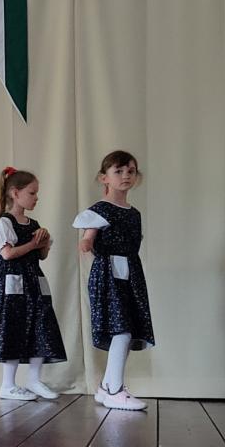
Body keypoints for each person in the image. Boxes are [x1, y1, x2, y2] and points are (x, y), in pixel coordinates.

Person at [73, 150, 154, 411]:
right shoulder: (100, 210)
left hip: (131, 273)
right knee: (121, 330)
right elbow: (88, 236)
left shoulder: (134, 213)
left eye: (130, 171)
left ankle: (107, 386)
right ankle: (115, 390)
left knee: (128, 330)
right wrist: (86, 242)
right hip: (108, 273)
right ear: (104, 178)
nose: (125, 176)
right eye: (118, 171)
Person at [0, 168, 65, 401]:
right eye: (32, 193)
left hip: (34, 282)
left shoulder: (34, 224)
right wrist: (33, 244)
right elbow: (7, 254)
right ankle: (7, 385)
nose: (36, 198)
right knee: (13, 327)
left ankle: (34, 379)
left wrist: (44, 243)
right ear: (15, 193)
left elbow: (41, 256)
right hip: (14, 285)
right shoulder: (6, 222)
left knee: (41, 326)